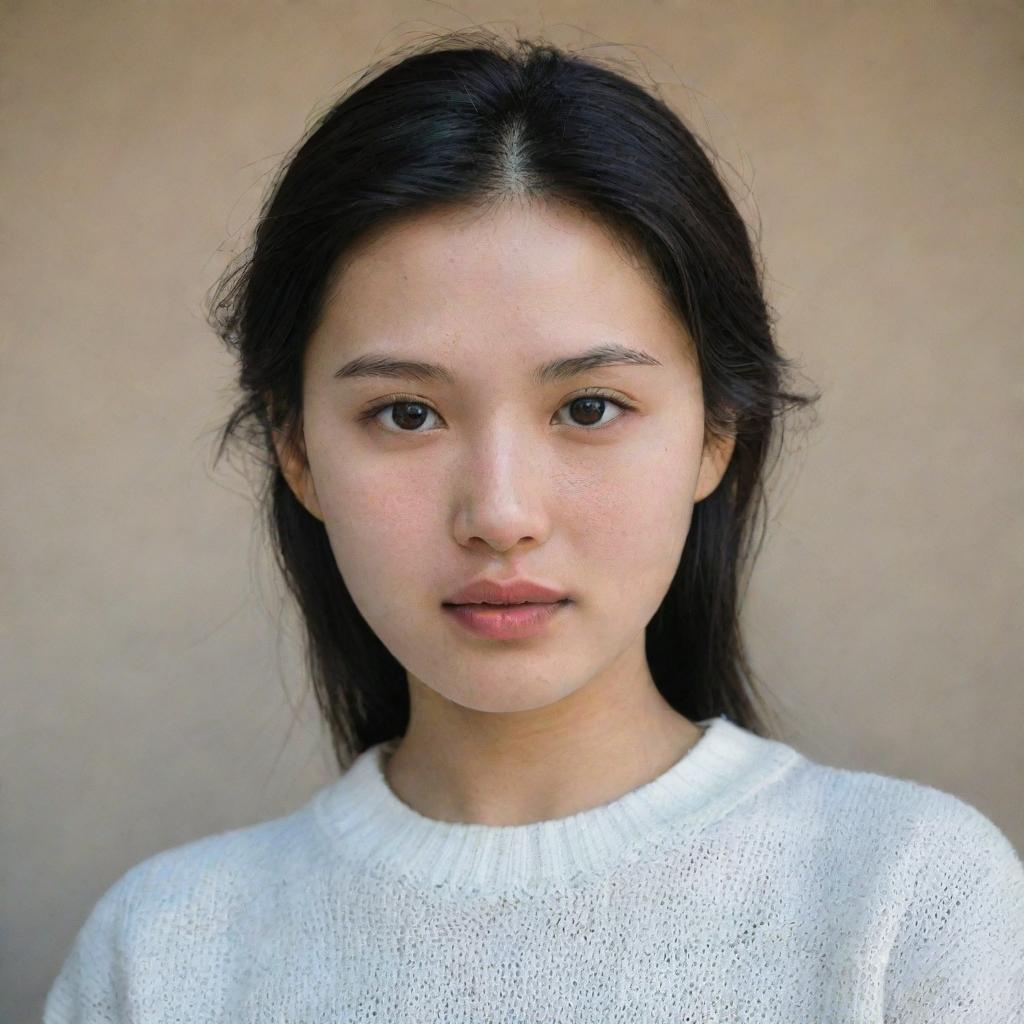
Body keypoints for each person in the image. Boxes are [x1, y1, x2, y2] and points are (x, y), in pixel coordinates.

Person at [45, 29, 1023, 1022]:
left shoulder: (907, 905)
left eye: (589, 408)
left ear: (715, 434)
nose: (501, 514)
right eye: (405, 413)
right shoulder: (163, 955)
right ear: (297, 452)